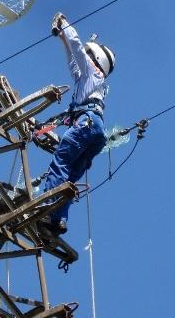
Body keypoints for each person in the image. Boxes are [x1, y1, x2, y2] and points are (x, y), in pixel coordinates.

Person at [41, 12, 116, 235]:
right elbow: (73, 61)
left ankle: (46, 209)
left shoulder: (93, 71)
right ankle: (58, 220)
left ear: (95, 58)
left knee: (60, 162)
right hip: (95, 133)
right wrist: (62, 38)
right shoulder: (92, 80)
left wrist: (65, 25)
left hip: (86, 125)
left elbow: (77, 49)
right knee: (69, 178)